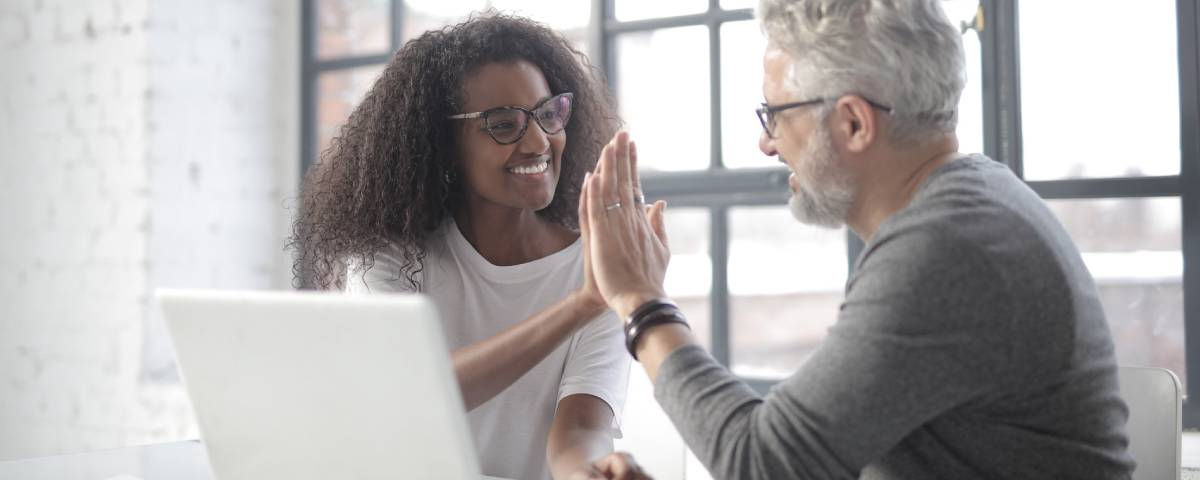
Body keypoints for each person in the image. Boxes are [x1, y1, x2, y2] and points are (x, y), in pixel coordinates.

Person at [575, 0, 1136, 478]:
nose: (767, 145)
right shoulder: (972, 203)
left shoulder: (946, 249)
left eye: (775, 114)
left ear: (853, 123)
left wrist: (641, 302)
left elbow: (763, 462)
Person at [290, 14, 649, 480]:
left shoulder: (593, 265)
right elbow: (417, 390)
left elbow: (581, 424)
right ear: (441, 143)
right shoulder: (390, 257)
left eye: (548, 114)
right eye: (503, 124)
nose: (539, 141)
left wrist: (590, 473)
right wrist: (581, 305)